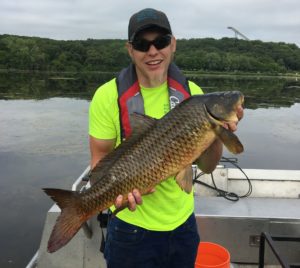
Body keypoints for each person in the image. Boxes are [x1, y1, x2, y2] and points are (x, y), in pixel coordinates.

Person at [89, 8, 243, 268]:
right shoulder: (107, 96)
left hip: (183, 225)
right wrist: (114, 195)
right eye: (142, 44)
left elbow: (207, 167)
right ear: (130, 49)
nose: (152, 52)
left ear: (173, 44)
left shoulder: (193, 94)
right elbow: (99, 161)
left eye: (160, 42)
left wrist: (219, 133)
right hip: (131, 229)